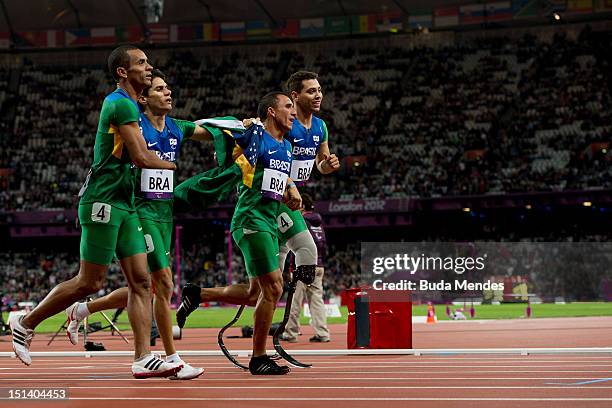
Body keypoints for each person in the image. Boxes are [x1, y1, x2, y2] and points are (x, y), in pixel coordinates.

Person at [9, 46, 182, 379]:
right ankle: (25, 322)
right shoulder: (118, 103)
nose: (149, 68)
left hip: (126, 202)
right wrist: (171, 164)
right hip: (102, 201)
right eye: (142, 63)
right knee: (90, 281)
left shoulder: (133, 105)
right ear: (122, 72)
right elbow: (142, 158)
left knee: (142, 282)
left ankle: (142, 356)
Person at [64, 69, 212, 379]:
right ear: (143, 97)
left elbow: (208, 130)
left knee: (146, 285)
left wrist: (247, 127)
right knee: (164, 282)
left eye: (168, 87)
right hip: (137, 209)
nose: (168, 92)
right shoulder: (134, 122)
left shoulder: (176, 127)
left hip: (163, 213)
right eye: (159, 89)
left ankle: (82, 309)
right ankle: (173, 358)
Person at [176, 71, 339, 326]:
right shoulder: (283, 122)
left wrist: (326, 165)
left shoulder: (320, 126)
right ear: (295, 97)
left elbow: (320, 163)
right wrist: (248, 132)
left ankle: (198, 293)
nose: (318, 95)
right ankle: (274, 338)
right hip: (269, 201)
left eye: (319, 89)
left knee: (257, 292)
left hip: (284, 200)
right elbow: (260, 145)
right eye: (311, 90)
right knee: (305, 253)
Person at [224, 91, 300, 374]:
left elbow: (277, 181)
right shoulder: (253, 136)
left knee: (257, 290)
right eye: (288, 107)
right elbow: (228, 141)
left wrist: (291, 191)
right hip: (251, 219)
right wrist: (242, 128)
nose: (293, 112)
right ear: (271, 111)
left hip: (268, 222)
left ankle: (198, 294)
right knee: (274, 287)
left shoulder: (286, 147)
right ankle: (258, 357)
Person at [280, 193, 330, 343]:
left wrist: (290, 268)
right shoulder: (318, 223)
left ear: (302, 206)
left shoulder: (301, 221)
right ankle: (322, 333)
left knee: (295, 299)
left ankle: (290, 333)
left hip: (304, 265)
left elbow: (299, 246)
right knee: (316, 301)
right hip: (319, 265)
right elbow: (323, 245)